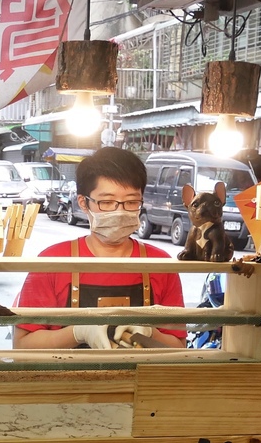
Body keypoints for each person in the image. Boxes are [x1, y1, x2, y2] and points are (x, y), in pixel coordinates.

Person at [13, 148, 185, 349]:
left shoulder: (160, 265)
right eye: (107, 202)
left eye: (131, 202)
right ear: (83, 203)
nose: (119, 211)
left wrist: (150, 333)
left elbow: (179, 347)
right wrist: (78, 332)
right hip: (70, 380)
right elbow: (22, 345)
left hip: (140, 380)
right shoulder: (53, 262)